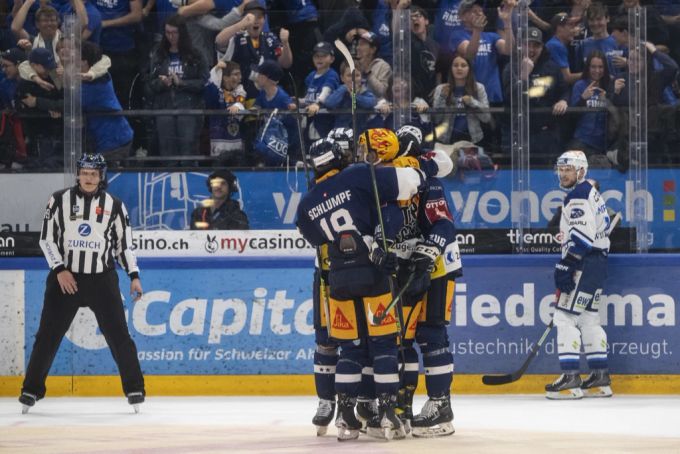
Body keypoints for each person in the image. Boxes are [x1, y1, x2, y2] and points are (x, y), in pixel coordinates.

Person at [296, 129, 425, 441]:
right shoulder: (357, 174)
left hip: (338, 280)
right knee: (382, 345)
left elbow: (315, 237)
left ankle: (345, 417)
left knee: (350, 348)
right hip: (374, 273)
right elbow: (412, 182)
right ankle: (388, 412)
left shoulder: (306, 204)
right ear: (340, 159)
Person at [19, 153, 146, 414]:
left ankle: (134, 389)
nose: (88, 178)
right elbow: (47, 239)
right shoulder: (58, 200)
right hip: (65, 280)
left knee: (119, 336)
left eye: (94, 174)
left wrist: (134, 275)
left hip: (102, 280)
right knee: (47, 337)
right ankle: (31, 390)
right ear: (78, 174)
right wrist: (59, 270)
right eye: (85, 173)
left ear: (102, 176)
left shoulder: (115, 205)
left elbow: (124, 246)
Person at [547, 150, 613, 400]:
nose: (563, 174)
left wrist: (567, 264)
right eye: (561, 169)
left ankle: (571, 377)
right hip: (597, 264)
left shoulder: (578, 196)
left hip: (583, 264)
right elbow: (592, 231)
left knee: (564, 318)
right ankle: (600, 376)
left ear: (581, 171)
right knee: (588, 319)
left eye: (569, 169)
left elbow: (582, 239)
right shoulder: (591, 193)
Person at [147, 14, 208, 164]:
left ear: (182, 33)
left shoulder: (196, 54)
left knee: (188, 147)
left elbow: (204, 82)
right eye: (167, 33)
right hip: (164, 106)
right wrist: (163, 82)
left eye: (174, 33)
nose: (171, 36)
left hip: (189, 107)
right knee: (167, 149)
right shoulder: (158, 54)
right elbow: (150, 83)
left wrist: (182, 83)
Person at [432, 55, 491, 145]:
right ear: (451, 68)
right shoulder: (441, 89)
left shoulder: (478, 88)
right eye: (455, 65)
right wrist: (442, 97)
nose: (459, 68)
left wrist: (472, 102)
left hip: (473, 139)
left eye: (463, 65)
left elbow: (486, 118)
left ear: (469, 69)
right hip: (446, 140)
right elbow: (436, 119)